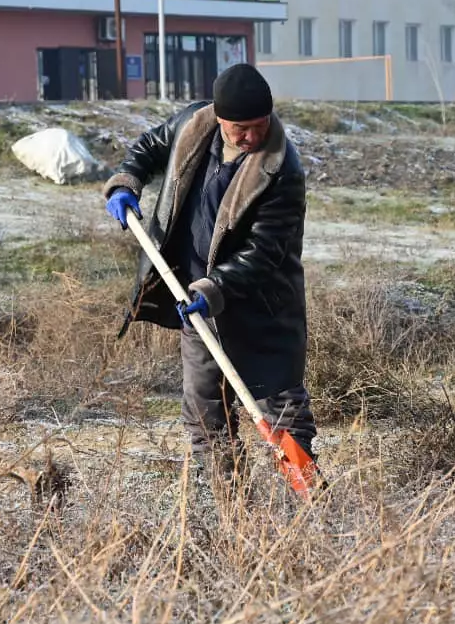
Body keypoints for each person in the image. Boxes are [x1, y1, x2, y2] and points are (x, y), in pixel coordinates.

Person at [102, 63, 313, 480]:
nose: (252, 136)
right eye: (240, 128)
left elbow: (263, 253)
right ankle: (232, 510)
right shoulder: (191, 125)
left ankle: (306, 502)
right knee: (204, 412)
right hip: (194, 306)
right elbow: (148, 147)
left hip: (260, 308)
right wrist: (127, 181)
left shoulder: (283, 170)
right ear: (220, 120)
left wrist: (212, 288)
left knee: (282, 409)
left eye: (259, 125)